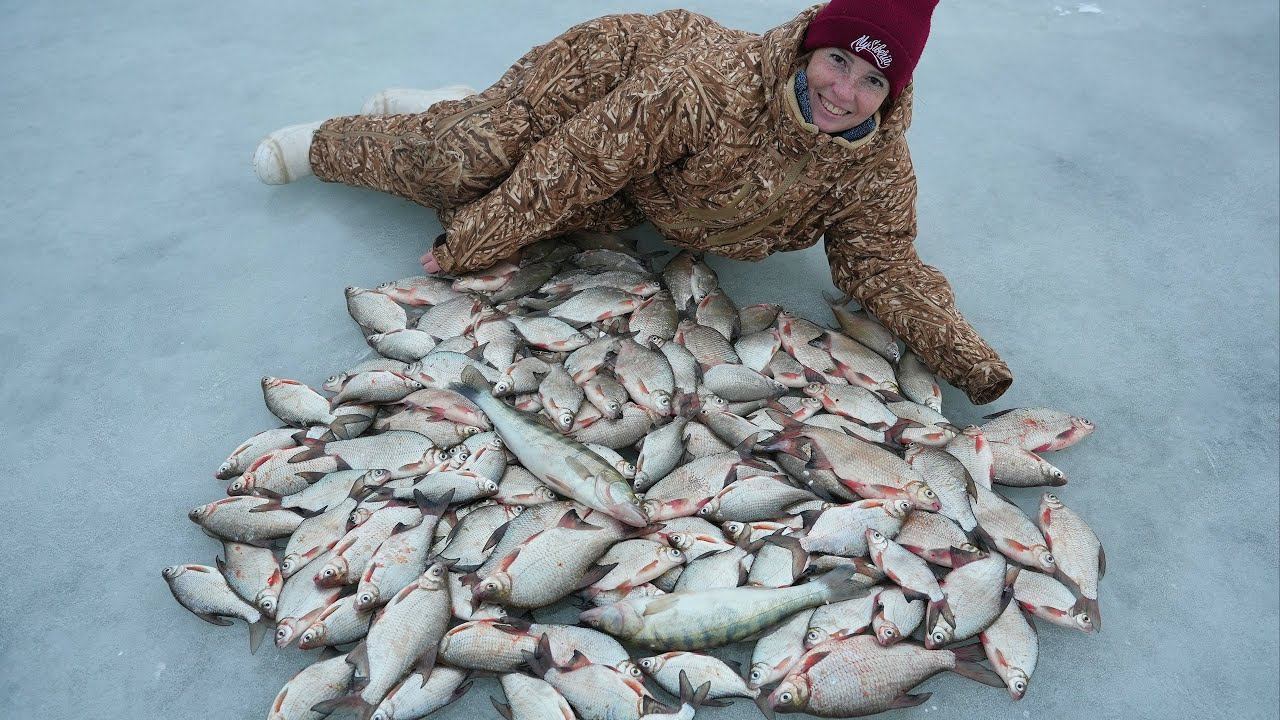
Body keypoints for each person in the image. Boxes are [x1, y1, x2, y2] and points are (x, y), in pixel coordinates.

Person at [252, 0, 1013, 405]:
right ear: (813, 44)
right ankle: (328, 141)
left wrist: (966, 360)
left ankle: (453, 104)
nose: (843, 92)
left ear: (894, 92)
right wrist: (472, 241)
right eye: (838, 60)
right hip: (614, 77)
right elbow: (581, 159)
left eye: (872, 81)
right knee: (466, 165)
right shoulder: (708, 89)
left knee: (586, 210)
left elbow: (884, 264)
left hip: (651, 188)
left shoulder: (874, 167)